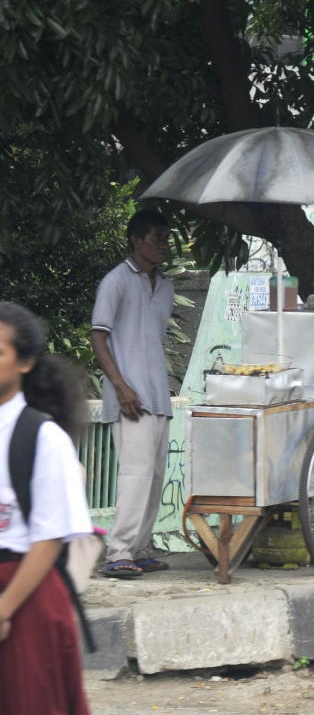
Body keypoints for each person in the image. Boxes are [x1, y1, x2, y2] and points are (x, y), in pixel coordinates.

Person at [0, 302, 96, 715]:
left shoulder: (42, 437)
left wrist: (4, 609)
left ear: (24, 362)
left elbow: (49, 538)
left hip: (25, 596)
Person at [90, 209, 174, 580]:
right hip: (130, 395)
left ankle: (139, 548)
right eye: (156, 239)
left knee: (155, 475)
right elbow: (98, 336)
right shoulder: (116, 281)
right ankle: (119, 551)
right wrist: (120, 385)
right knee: (135, 475)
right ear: (136, 241)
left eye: (165, 239)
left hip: (157, 393)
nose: (163, 246)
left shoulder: (167, 285)